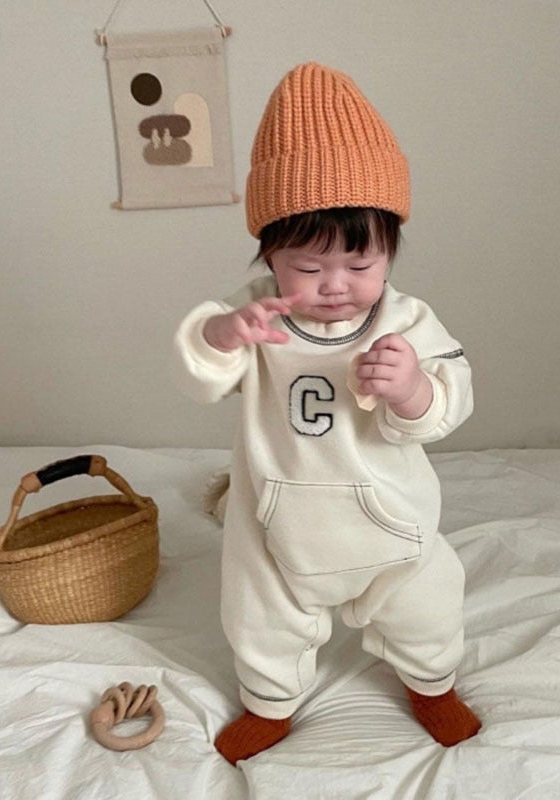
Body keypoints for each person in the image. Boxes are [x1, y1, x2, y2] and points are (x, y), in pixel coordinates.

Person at [174, 62, 480, 765]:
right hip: (277, 521)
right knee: (258, 613)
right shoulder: (254, 314)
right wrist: (221, 336)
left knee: (427, 602)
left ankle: (432, 684)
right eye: (308, 268)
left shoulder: (407, 320)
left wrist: (411, 389)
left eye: (360, 264)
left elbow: (449, 402)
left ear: (390, 248)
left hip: (390, 519)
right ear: (270, 257)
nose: (336, 285)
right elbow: (199, 375)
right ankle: (270, 702)